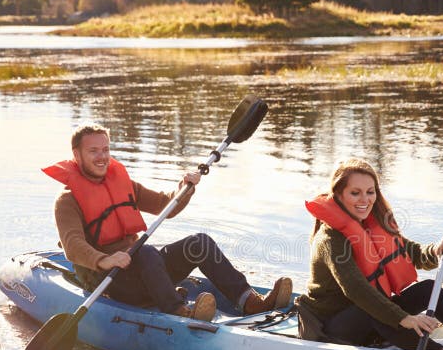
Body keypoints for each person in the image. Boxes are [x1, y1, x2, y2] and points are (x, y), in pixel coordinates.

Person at [43, 122, 292, 321]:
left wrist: (185, 188)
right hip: (110, 280)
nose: (102, 157)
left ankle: (249, 301)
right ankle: (178, 311)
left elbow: (165, 205)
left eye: (106, 149)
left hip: (141, 269)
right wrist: (104, 259)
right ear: (77, 155)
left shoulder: (121, 183)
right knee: (146, 251)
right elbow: (72, 245)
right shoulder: (67, 199)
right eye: (93, 151)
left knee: (200, 243)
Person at [296, 158, 443, 350]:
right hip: (330, 329)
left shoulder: (370, 226)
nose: (365, 200)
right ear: (338, 195)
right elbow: (356, 290)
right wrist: (404, 318)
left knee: (427, 288)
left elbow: (410, 252)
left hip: (367, 314)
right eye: (355, 193)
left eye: (370, 192)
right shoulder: (330, 239)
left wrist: (434, 250)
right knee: (374, 308)